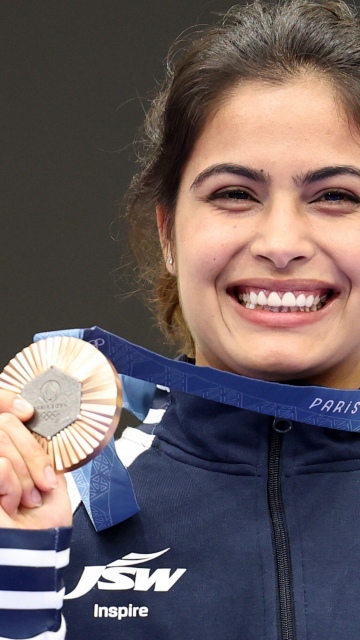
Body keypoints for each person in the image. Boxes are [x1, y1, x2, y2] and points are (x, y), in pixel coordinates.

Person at [2, 0, 360, 638]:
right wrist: (19, 572)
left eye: (336, 196)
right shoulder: (54, 512)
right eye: (234, 194)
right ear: (169, 233)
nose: (282, 241)